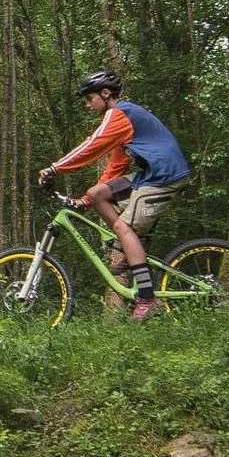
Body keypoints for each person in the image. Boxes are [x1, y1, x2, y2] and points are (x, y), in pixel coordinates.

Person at [38, 70, 191, 321]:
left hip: (166, 176)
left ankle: (147, 298)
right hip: (153, 175)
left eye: (89, 99)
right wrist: (86, 201)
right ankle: (130, 250)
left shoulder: (119, 114)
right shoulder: (124, 124)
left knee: (123, 226)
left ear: (105, 93)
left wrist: (55, 168)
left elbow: (91, 145)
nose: (87, 105)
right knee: (98, 193)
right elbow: (115, 167)